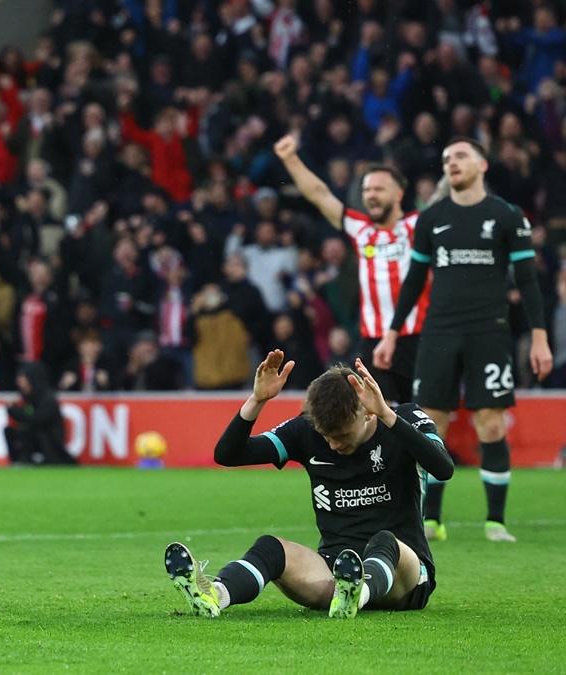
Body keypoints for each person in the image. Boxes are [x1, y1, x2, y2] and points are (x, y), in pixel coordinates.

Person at [164, 351, 454, 619]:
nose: (332, 444)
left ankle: (357, 593)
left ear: (367, 412)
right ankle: (214, 595)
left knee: (384, 541)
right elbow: (227, 455)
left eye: (340, 435)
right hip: (335, 569)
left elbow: (443, 468)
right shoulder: (306, 430)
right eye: (326, 435)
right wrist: (257, 401)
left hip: (406, 576)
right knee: (271, 548)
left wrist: (388, 416)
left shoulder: (405, 418)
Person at [374, 137, 554, 543]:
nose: (451, 163)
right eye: (446, 159)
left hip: (489, 330)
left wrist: (540, 337)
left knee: (490, 424)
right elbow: (415, 279)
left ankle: (495, 521)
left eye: (460, 156)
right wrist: (392, 331)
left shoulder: (507, 216)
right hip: (438, 331)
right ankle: (432, 520)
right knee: (430, 423)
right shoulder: (432, 218)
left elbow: (527, 280)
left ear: (482, 165)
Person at [274, 134, 429, 403]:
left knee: (423, 416)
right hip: (372, 340)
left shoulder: (418, 225)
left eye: (379, 189)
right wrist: (291, 159)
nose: (371, 195)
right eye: (367, 190)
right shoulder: (361, 230)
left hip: (419, 338)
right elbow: (320, 195)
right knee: (374, 417)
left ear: (399, 194)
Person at [5, 362, 71, 465]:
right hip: (34, 437)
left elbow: (38, 419)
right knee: (10, 431)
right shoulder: (27, 398)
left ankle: (38, 459)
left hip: (51, 442)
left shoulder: (48, 398)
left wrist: (15, 411)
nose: (19, 383)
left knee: (38, 431)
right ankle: (19, 460)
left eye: (23, 379)